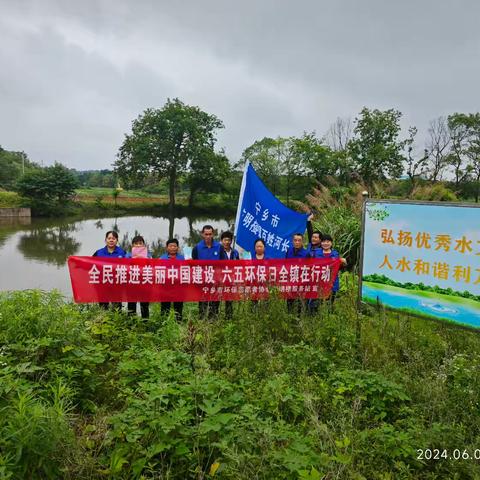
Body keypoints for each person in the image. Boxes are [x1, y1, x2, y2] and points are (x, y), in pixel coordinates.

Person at [192, 225, 222, 318]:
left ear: (213, 234)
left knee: (215, 301)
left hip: (215, 279)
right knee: (203, 301)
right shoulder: (197, 247)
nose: (208, 236)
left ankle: (213, 320)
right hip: (203, 279)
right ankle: (202, 319)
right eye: (206, 234)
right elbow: (194, 263)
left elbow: (223, 263)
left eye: (210, 234)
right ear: (202, 234)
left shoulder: (219, 247)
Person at [93, 231, 126, 312]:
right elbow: (88, 264)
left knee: (117, 308)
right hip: (102, 284)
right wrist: (73, 260)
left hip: (117, 284)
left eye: (113, 238)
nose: (111, 240)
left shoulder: (122, 252)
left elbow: (130, 267)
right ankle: (104, 323)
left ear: (117, 240)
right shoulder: (99, 252)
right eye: (109, 238)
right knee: (103, 307)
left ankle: (117, 323)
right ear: (105, 240)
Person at [316, 234, 347, 309]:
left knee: (329, 303)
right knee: (317, 303)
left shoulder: (335, 253)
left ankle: (328, 316)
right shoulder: (316, 252)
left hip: (332, 282)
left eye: (328, 241)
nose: (326, 243)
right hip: (319, 282)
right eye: (323, 241)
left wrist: (344, 263)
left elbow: (340, 267)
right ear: (321, 243)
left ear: (331, 243)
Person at [125, 235, 152, 319]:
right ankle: (131, 323)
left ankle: (145, 323)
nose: (138, 245)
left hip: (145, 283)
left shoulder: (149, 256)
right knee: (131, 304)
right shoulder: (128, 256)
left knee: (144, 305)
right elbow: (124, 268)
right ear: (132, 245)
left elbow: (153, 269)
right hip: (132, 284)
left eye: (140, 243)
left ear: (144, 245)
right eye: (136, 243)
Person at [159, 238, 185, 321]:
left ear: (178, 248)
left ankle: (178, 324)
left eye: (175, 246)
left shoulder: (182, 258)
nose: (173, 248)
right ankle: (164, 323)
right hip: (165, 287)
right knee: (165, 307)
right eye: (170, 246)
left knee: (178, 307)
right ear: (167, 248)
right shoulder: (162, 259)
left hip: (178, 287)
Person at [285, 232, 308, 315]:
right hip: (290, 281)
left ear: (302, 241)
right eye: (295, 240)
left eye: (299, 240)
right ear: (292, 241)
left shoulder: (306, 254)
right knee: (289, 302)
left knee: (298, 303)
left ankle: (297, 320)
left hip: (300, 282)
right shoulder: (289, 250)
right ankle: (289, 318)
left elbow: (308, 269)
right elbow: (286, 265)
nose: (297, 242)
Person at [219, 231, 239, 319]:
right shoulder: (218, 252)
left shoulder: (235, 252)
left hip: (231, 278)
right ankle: (214, 316)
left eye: (229, 240)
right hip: (220, 278)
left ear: (231, 241)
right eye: (225, 240)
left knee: (229, 298)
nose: (227, 242)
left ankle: (229, 317)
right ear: (221, 241)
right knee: (216, 298)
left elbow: (238, 264)